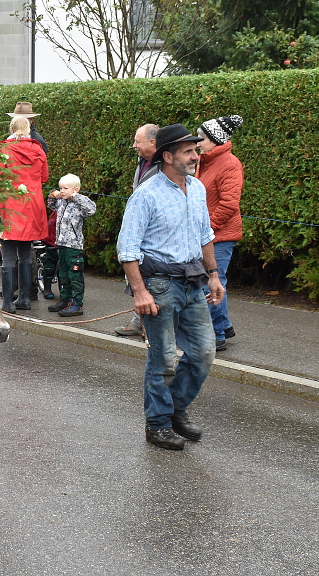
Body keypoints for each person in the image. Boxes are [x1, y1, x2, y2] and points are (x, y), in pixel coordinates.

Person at [117, 123, 224, 451]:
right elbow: (127, 249)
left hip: (194, 283)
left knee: (204, 353)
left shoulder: (197, 188)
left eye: (195, 150)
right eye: (188, 151)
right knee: (163, 358)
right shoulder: (146, 195)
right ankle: (158, 424)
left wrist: (215, 275)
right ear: (167, 156)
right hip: (159, 285)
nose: (195, 155)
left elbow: (205, 235)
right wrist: (140, 291)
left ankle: (175, 410)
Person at [195, 115, 245, 351]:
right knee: (212, 281)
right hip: (209, 234)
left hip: (220, 236)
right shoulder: (204, 161)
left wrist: (206, 229)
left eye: (201, 138)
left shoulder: (229, 164)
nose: (197, 142)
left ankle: (216, 336)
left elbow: (229, 205)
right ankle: (223, 325)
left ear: (215, 140)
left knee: (211, 283)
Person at [0, 116, 49, 313]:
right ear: (28, 129)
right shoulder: (38, 149)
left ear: (11, 128)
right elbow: (44, 177)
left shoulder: (5, 150)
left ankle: (8, 302)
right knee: (25, 255)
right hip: (31, 204)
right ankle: (25, 299)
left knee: (8, 257)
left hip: (8, 205)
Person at [115, 123, 162, 337]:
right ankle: (139, 320)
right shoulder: (142, 161)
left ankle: (149, 325)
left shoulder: (164, 165)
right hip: (139, 224)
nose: (134, 145)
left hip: (154, 229)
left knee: (152, 275)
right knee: (135, 272)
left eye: (138, 141)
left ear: (153, 142)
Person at [45, 174, 96, 317]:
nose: (62, 191)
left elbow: (91, 209)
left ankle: (76, 304)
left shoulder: (79, 204)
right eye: (60, 188)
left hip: (74, 246)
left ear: (75, 189)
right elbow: (51, 204)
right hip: (61, 244)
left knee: (75, 275)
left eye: (65, 188)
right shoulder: (61, 202)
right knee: (64, 274)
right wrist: (53, 194)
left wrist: (75, 197)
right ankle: (65, 299)